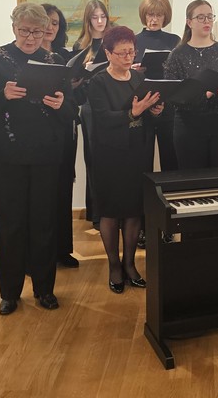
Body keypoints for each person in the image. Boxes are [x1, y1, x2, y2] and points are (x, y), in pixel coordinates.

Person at [0, 3, 70, 316]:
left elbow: (71, 109)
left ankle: (44, 288)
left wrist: (61, 104)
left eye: (38, 32)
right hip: (6, 154)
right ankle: (9, 293)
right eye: (25, 30)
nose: (30, 37)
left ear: (47, 31)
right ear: (14, 27)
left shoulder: (54, 62)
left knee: (44, 222)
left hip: (45, 154)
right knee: (9, 223)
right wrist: (2, 95)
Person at [88, 26, 162, 293]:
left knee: (133, 209)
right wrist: (133, 112)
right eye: (122, 53)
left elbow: (146, 115)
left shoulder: (139, 78)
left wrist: (154, 110)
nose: (128, 57)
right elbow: (102, 118)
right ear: (108, 53)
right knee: (110, 211)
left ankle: (130, 264)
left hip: (137, 152)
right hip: (109, 154)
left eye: (132, 52)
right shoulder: (98, 81)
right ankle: (114, 266)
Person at [163, 0, 218, 169]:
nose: (207, 21)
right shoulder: (177, 55)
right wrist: (204, 95)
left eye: (210, 17)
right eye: (201, 17)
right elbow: (172, 96)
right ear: (189, 22)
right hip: (189, 128)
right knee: (193, 179)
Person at [41, 3, 80, 268]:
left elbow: (74, 101)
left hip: (65, 129)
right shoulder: (24, 57)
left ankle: (63, 249)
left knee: (63, 189)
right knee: (43, 195)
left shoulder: (64, 57)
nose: (50, 27)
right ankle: (42, 253)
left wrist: (76, 85)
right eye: (46, 22)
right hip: (39, 134)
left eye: (55, 23)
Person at [73, 0, 113, 226]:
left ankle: (113, 212)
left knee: (112, 159)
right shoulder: (81, 46)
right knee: (94, 159)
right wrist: (81, 75)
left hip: (112, 102)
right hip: (89, 106)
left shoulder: (112, 42)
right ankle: (97, 213)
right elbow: (74, 83)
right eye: (95, 17)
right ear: (87, 20)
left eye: (103, 16)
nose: (100, 21)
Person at [133, 0, 180, 171]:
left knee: (171, 158)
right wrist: (133, 70)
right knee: (142, 160)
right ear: (144, 15)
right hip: (142, 103)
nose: (154, 19)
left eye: (159, 15)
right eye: (150, 14)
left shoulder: (174, 40)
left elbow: (178, 74)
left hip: (167, 104)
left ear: (165, 16)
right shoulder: (134, 40)